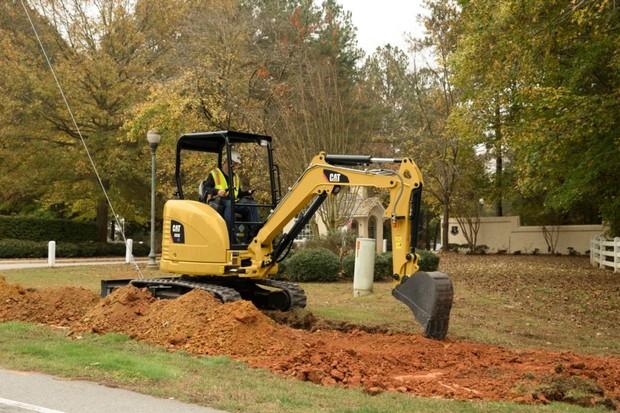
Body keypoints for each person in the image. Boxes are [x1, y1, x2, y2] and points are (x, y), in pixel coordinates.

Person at [200, 149, 260, 243]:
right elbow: (206, 188)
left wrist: (247, 193)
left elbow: (238, 193)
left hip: (234, 202)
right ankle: (229, 235)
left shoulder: (235, 177)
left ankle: (255, 233)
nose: (236, 166)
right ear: (228, 161)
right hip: (218, 202)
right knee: (229, 203)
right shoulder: (214, 174)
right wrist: (217, 191)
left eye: (236, 164)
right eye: (235, 164)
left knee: (251, 204)